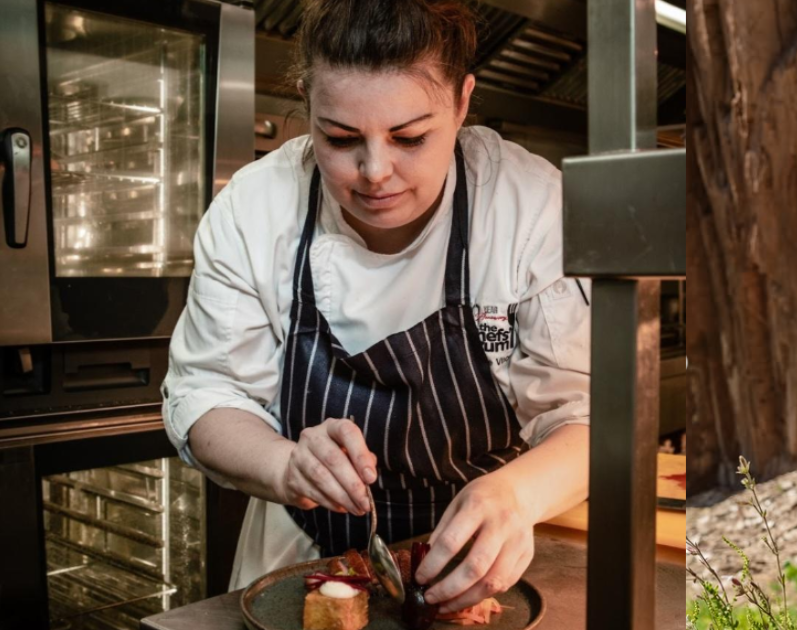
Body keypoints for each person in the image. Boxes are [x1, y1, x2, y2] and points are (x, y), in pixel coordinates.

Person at [161, 0, 592, 615]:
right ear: (307, 103)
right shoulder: (254, 207)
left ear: (462, 103)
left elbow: (587, 414)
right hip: (299, 561)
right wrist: (286, 464)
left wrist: (517, 496)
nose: (374, 172)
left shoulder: (529, 208)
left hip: (481, 563)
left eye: (410, 137)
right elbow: (206, 394)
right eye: (339, 138)